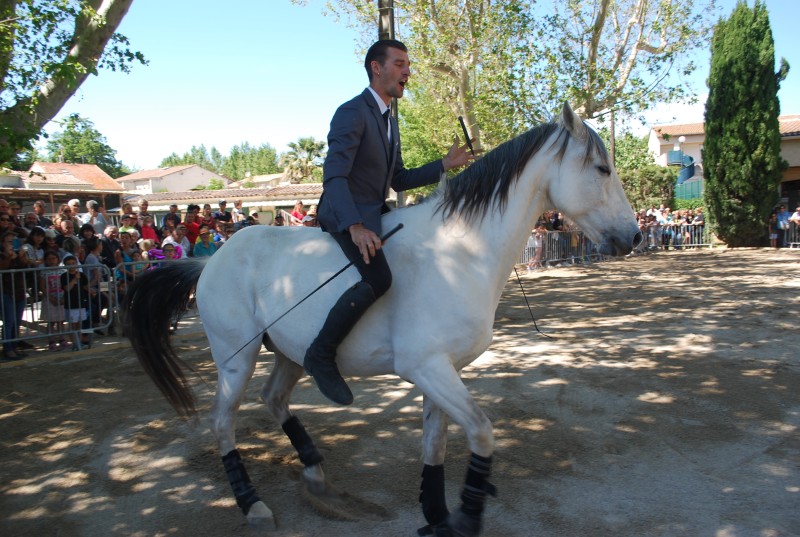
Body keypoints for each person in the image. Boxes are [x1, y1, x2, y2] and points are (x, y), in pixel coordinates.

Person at [303, 39, 474, 405]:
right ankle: (320, 354)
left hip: (374, 211)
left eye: (408, 65)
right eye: (399, 64)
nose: (407, 71)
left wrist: (443, 165)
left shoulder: (390, 121)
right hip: (344, 213)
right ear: (376, 68)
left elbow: (398, 180)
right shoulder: (352, 112)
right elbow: (333, 178)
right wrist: (355, 226)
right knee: (379, 277)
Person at [0, 230, 28, 360]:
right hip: (5, 290)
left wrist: (21, 257)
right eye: (9, 242)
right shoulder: (2, 254)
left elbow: (25, 266)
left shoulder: (18, 254)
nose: (12, 244)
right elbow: (3, 268)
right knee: (9, 320)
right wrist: (7, 256)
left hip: (19, 290)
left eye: (14, 241)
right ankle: (7, 348)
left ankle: (14, 346)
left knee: (17, 320)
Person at [60, 254, 90, 351]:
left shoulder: (82, 275)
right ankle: (74, 343)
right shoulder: (64, 276)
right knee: (72, 324)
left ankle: (79, 342)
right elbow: (67, 288)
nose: (72, 266)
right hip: (71, 304)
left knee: (79, 324)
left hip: (81, 302)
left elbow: (86, 287)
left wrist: (95, 281)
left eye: (73, 263)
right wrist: (75, 279)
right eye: (69, 264)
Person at [39, 250, 66, 351]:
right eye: (49, 259)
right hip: (49, 299)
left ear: (58, 259)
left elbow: (65, 285)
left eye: (53, 258)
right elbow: (42, 287)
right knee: (51, 321)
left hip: (61, 297)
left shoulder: (63, 270)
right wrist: (50, 298)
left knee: (61, 320)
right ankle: (51, 340)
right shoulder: (44, 272)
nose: (51, 261)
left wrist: (64, 297)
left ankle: (62, 338)